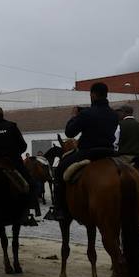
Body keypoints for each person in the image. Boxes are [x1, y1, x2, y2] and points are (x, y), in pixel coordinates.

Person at [49, 82, 120, 222]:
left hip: (89, 152)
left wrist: (74, 115)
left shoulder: (87, 113)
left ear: (93, 95)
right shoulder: (113, 114)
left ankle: (60, 210)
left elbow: (69, 132)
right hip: (110, 153)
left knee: (59, 170)